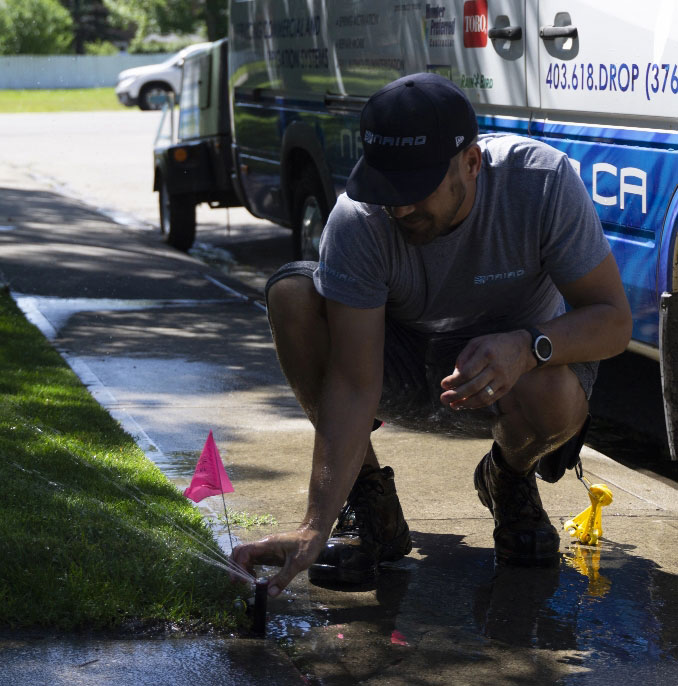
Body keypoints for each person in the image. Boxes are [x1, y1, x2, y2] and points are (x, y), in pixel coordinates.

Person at [232, 72, 632, 596]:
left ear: (471, 162)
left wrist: (527, 347)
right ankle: (367, 497)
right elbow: (353, 385)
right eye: (386, 187)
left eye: (415, 189)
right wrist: (314, 526)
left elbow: (613, 320)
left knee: (554, 392)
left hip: (512, 377)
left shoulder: (541, 182)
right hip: (402, 364)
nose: (398, 208)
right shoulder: (358, 218)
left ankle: (508, 478)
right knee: (292, 294)